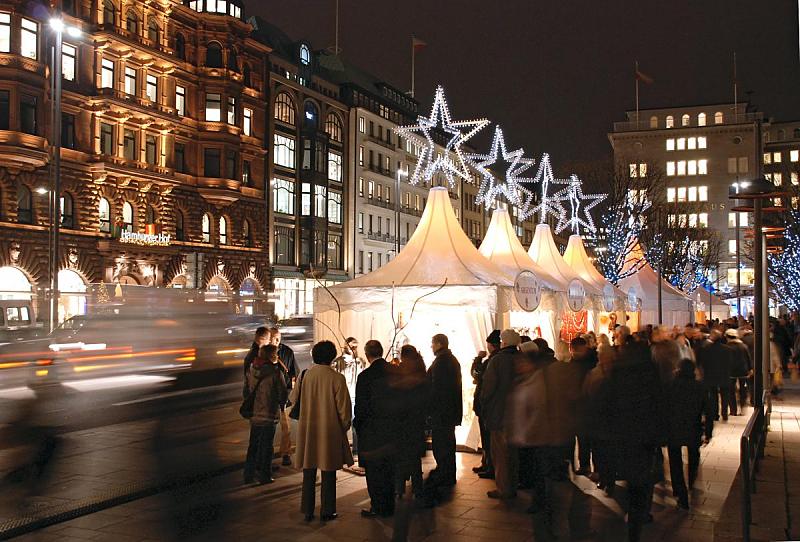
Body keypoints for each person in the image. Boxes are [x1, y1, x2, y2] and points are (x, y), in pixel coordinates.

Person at [598, 337, 665, 542]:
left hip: (622, 437)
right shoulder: (652, 373)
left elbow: (606, 405)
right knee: (641, 482)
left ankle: (632, 519)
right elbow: (660, 405)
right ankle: (638, 517)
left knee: (630, 480)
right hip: (644, 439)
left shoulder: (617, 373)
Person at [292, 340, 353, 522]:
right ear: (332, 357)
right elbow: (344, 411)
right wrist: (343, 428)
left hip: (308, 430)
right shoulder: (337, 378)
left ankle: (307, 510)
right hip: (329, 431)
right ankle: (327, 510)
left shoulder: (305, 375)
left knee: (308, 472)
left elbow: (294, 400)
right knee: (328, 473)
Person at [354, 340, 398, 518]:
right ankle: (390, 504)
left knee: (374, 472)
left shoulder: (365, 376)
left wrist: (358, 425)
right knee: (389, 468)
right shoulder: (395, 372)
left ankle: (378, 505)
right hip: (392, 428)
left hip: (372, 430)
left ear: (367, 354)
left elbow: (361, 406)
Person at [480, 329, 522, 499]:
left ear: (503, 342)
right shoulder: (521, 358)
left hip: (500, 412)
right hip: (518, 413)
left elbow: (488, 387)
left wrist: (484, 403)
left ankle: (504, 487)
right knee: (513, 453)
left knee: (501, 453)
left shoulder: (497, 360)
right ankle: (512, 485)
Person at [666, 359, 713, 510]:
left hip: (673, 428)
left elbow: (663, 408)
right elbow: (709, 410)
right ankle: (691, 480)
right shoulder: (700, 386)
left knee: (675, 461)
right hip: (693, 427)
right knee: (694, 455)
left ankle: (680, 492)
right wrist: (708, 432)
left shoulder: (671, 386)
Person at [243, 344, 288, 485]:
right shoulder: (275, 373)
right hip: (269, 414)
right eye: (276, 354)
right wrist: (283, 404)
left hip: (255, 414)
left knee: (253, 445)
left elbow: (247, 390)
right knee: (267, 447)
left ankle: (248, 475)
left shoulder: (252, 369)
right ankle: (265, 475)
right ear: (272, 356)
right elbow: (282, 394)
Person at [426, 334, 463, 490]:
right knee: (447, 443)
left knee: (442, 445)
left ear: (439, 344)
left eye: (432, 343)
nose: (431, 346)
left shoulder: (442, 362)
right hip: (449, 411)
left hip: (441, 412)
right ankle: (447, 473)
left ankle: (445, 474)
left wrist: (430, 409)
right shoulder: (450, 360)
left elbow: (437, 390)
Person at [394, 345, 430, 502]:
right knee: (414, 456)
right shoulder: (421, 370)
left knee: (400, 455)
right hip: (417, 418)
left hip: (402, 418)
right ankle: (417, 488)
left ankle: (399, 488)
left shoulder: (401, 370)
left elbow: (396, 391)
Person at [471, 330, 501, 478]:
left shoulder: (492, 360)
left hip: (488, 406)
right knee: (488, 438)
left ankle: (490, 465)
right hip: (490, 406)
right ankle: (486, 463)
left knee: (488, 437)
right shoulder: (497, 359)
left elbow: (477, 374)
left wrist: (478, 359)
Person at [270, 327, 297, 467]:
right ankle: (266, 457)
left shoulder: (287, 352)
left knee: (286, 427)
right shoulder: (264, 352)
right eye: (273, 338)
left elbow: (294, 372)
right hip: (270, 397)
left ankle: (286, 453)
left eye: (278, 338)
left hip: (284, 396)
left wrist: (291, 391)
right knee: (269, 428)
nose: (276, 341)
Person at [570, 336, 596, 476]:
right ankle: (585, 464)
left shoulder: (591, 361)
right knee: (583, 438)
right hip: (580, 405)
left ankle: (592, 467)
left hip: (588, 404)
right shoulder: (582, 361)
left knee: (589, 438)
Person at [697, 330, 733, 421]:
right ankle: (724, 414)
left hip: (711, 375)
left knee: (713, 396)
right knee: (725, 396)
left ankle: (715, 414)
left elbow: (703, 362)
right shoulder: (727, 349)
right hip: (724, 375)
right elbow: (730, 363)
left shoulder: (707, 349)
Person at [726, 328, 751, 415]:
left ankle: (733, 410)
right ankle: (743, 408)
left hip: (731, 372)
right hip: (743, 372)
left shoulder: (727, 347)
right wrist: (750, 369)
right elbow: (748, 358)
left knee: (731, 391)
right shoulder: (744, 346)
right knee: (743, 390)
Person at [242, 327, 270, 399]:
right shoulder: (258, 355)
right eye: (268, 338)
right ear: (262, 339)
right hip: (256, 395)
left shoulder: (252, 352)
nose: (269, 341)